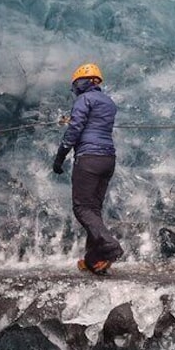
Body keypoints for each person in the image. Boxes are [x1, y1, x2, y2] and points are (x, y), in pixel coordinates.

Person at [52, 63, 123, 275]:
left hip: (88, 158)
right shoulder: (108, 102)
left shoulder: (84, 99)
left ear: (82, 82)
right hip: (108, 158)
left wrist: (60, 156)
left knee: (82, 208)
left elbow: (76, 128)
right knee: (93, 209)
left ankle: (110, 247)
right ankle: (94, 259)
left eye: (75, 84)